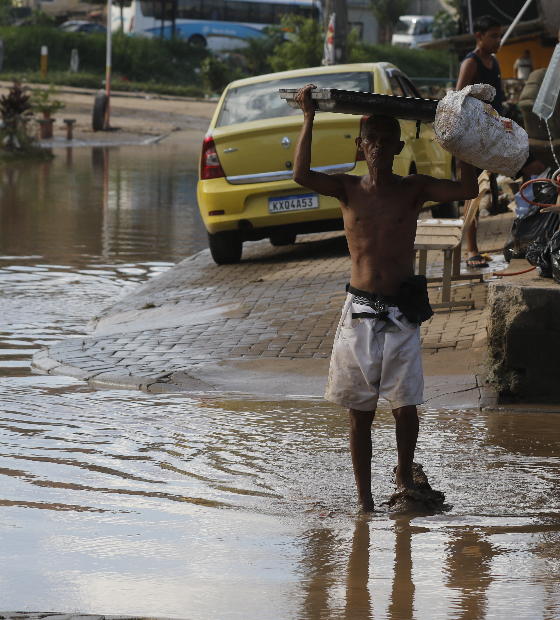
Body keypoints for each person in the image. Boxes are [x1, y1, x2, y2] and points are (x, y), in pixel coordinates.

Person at [293, 84, 479, 512]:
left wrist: (457, 133)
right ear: (360, 147)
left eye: (385, 139)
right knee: (360, 413)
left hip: (401, 314)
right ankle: (364, 502)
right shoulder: (347, 189)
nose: (378, 146)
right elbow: (302, 176)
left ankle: (403, 477)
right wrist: (308, 116)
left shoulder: (413, 189)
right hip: (358, 313)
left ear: (397, 146)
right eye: (370, 139)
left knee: (405, 407)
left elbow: (467, 189)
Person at [457, 15, 545, 267]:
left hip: (498, 135)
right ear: (479, 37)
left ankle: (527, 233)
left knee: (537, 170)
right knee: (473, 191)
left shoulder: (493, 63)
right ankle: (471, 250)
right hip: (475, 138)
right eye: (493, 36)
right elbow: (456, 102)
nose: (498, 40)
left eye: (499, 35)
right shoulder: (470, 64)